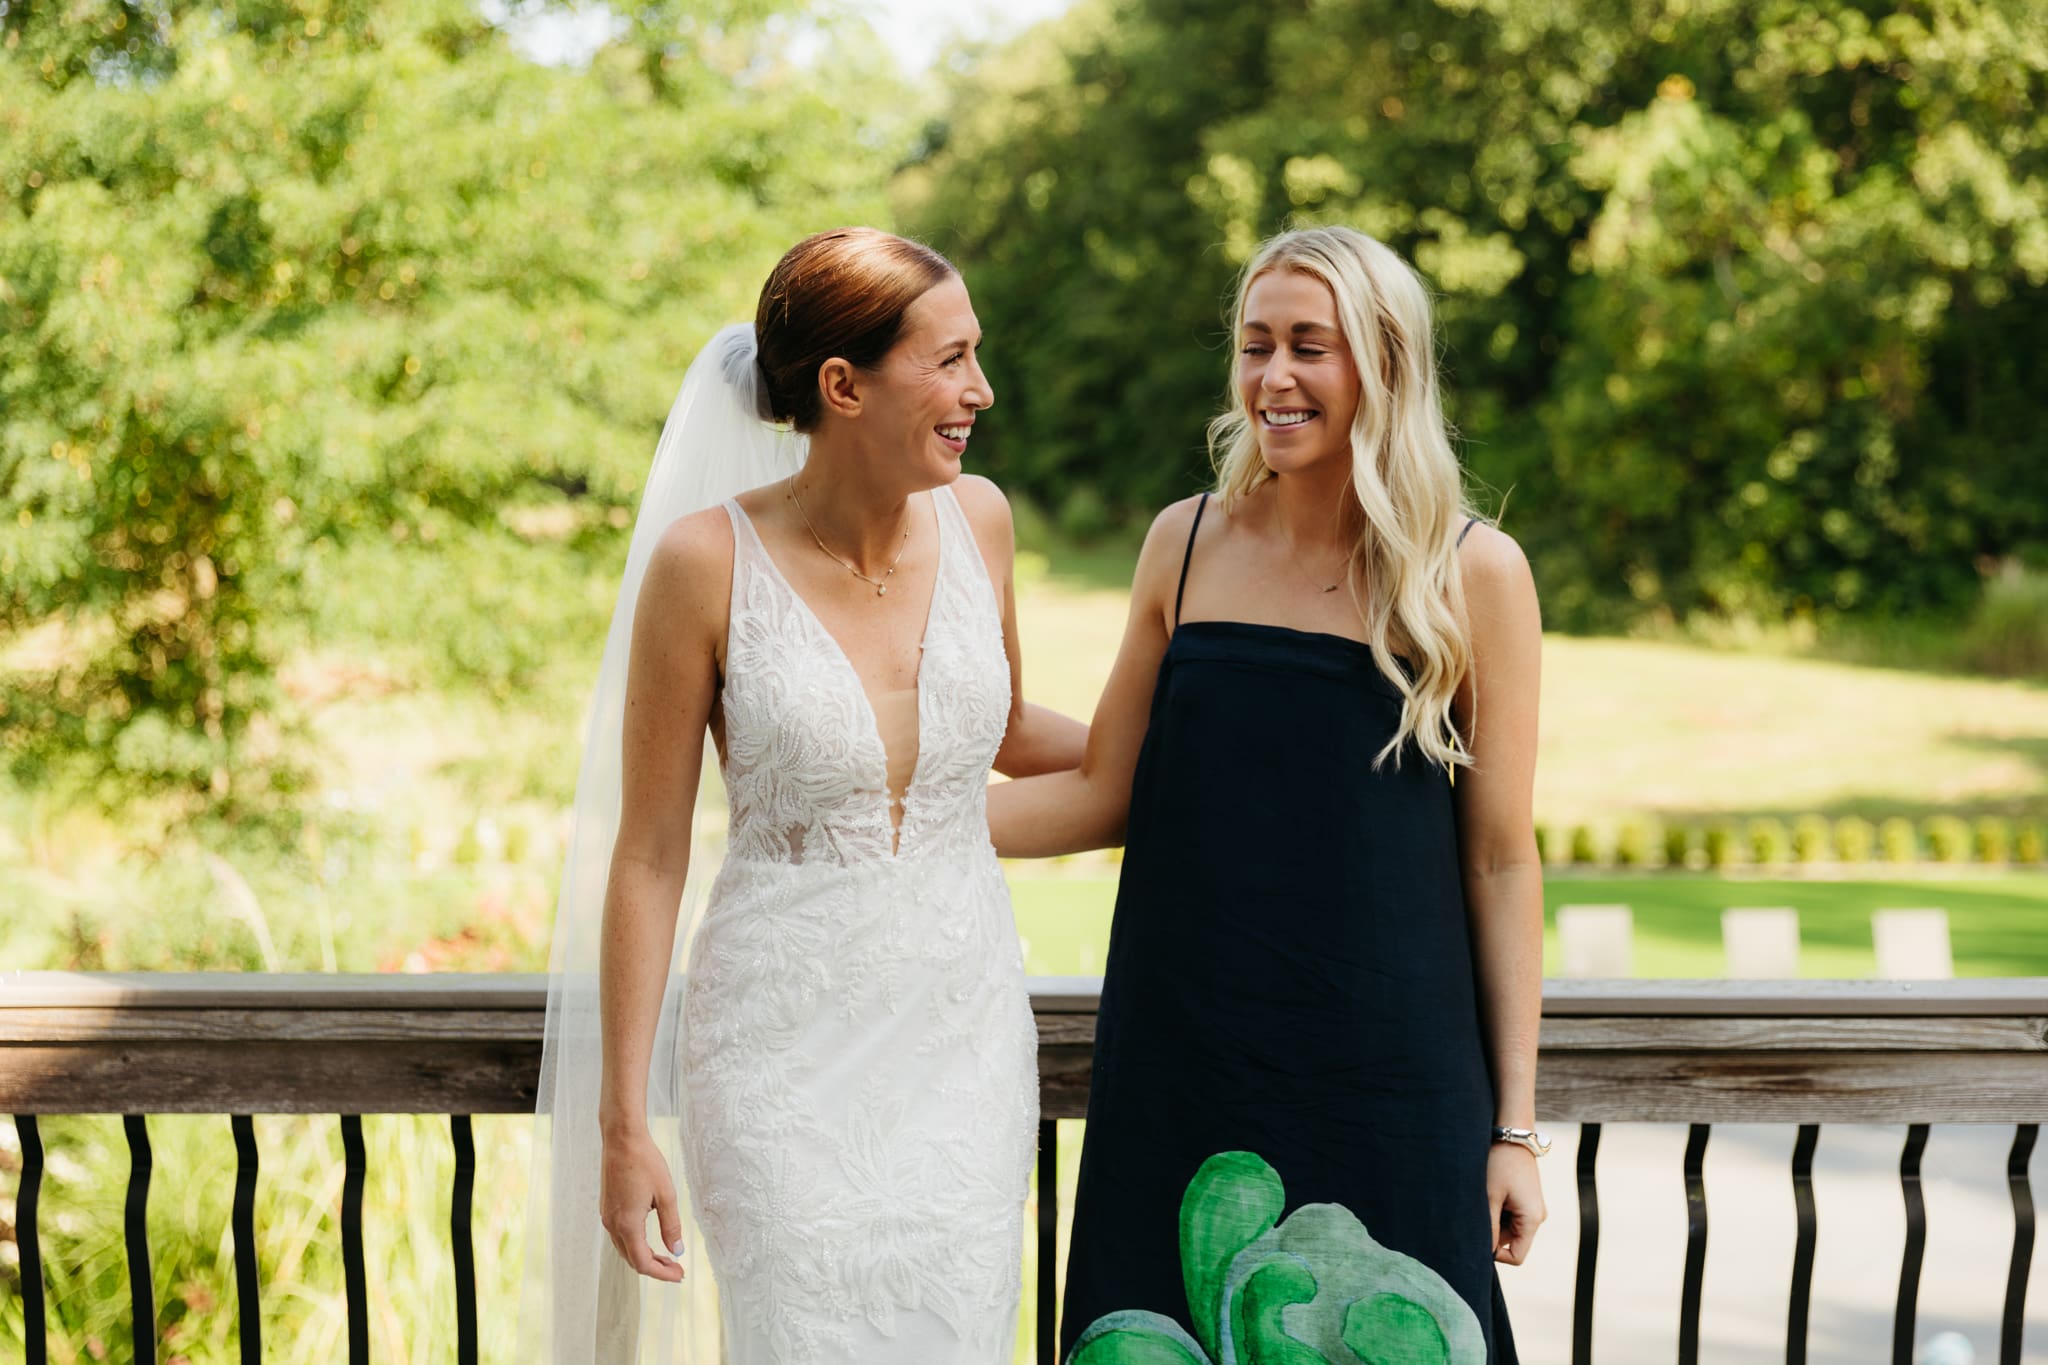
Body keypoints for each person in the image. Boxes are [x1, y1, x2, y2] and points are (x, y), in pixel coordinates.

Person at [524, 227, 1085, 1364]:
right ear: (842, 386)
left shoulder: (981, 521)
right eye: (949, 360)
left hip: (962, 1053)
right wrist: (624, 1126)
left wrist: (1205, 748)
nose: (979, 389)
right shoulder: (704, 563)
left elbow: (1010, 731)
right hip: (778, 1068)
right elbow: (647, 855)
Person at [988, 225, 1545, 1364]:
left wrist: (1514, 1129)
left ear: (1382, 366)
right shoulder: (1180, 545)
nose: (1271, 379)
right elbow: (1106, 787)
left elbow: (1497, 861)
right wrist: (878, 830)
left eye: (1308, 347)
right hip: (1180, 1064)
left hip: (1390, 1080)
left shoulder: (1473, 572)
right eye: (1253, 346)